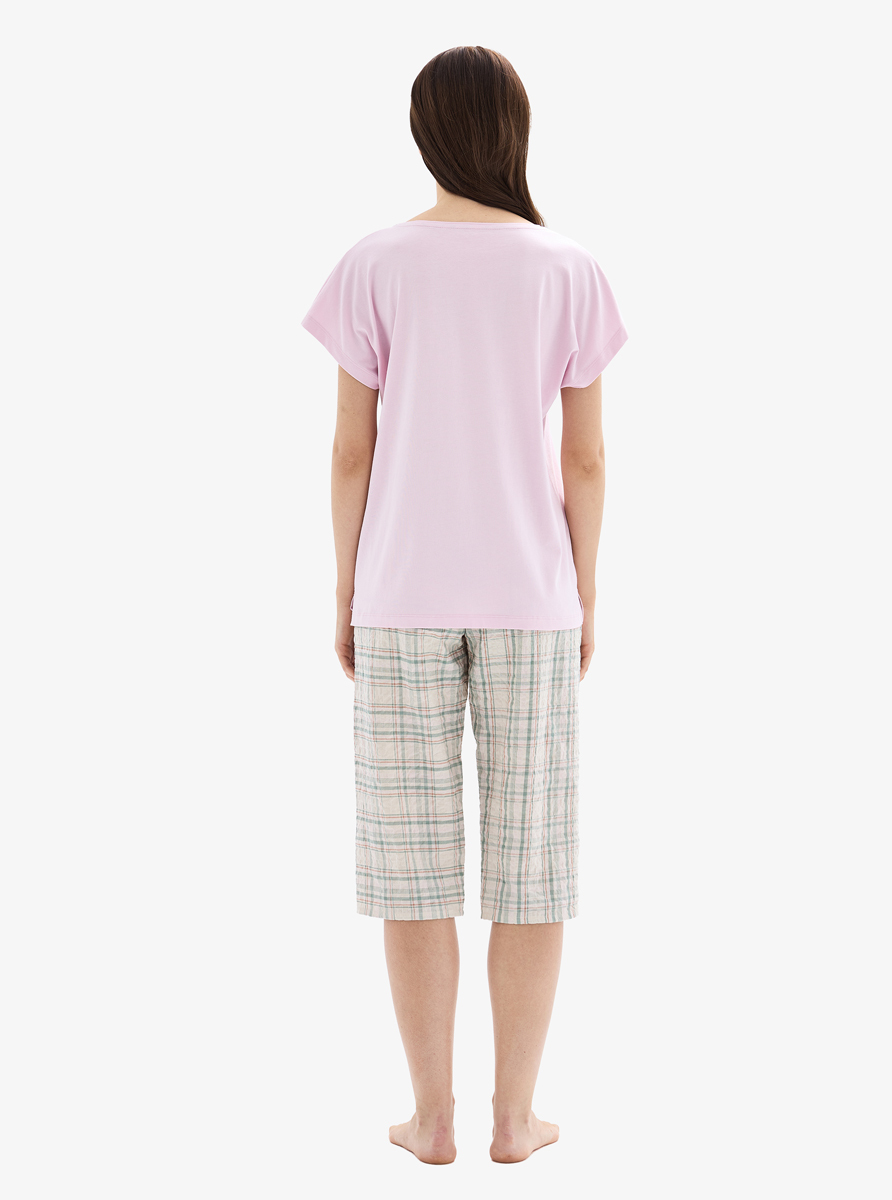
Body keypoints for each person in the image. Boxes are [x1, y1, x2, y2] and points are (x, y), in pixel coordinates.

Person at [301, 45, 629, 1166]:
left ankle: (431, 1117)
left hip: (398, 593)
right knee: (531, 867)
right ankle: (513, 1120)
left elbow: (350, 451)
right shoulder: (568, 267)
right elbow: (586, 460)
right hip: (532, 596)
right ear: (514, 129)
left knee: (412, 866)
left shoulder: (373, 263)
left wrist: (344, 587)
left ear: (423, 132)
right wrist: (586, 589)